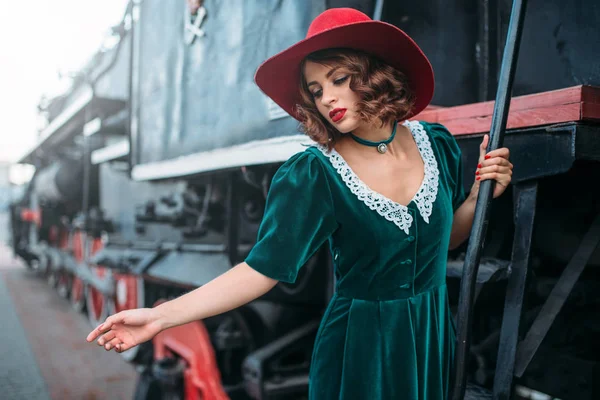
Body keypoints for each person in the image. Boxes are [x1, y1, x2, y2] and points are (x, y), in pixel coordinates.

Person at [86, 8, 513, 399]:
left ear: (374, 72)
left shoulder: (436, 146)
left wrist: (479, 196)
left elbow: (448, 241)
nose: (327, 97)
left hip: (431, 334)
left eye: (339, 78)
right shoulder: (314, 173)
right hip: (361, 348)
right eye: (316, 89)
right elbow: (260, 271)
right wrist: (163, 318)